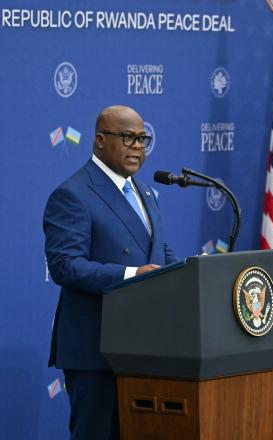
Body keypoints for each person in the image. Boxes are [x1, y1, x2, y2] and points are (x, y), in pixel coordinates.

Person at [43, 105, 179, 439]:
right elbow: (65, 266)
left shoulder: (146, 192)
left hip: (146, 345)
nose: (137, 146)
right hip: (97, 348)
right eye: (128, 137)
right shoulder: (73, 194)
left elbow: (161, 254)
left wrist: (194, 275)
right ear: (100, 141)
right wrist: (133, 275)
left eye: (142, 138)